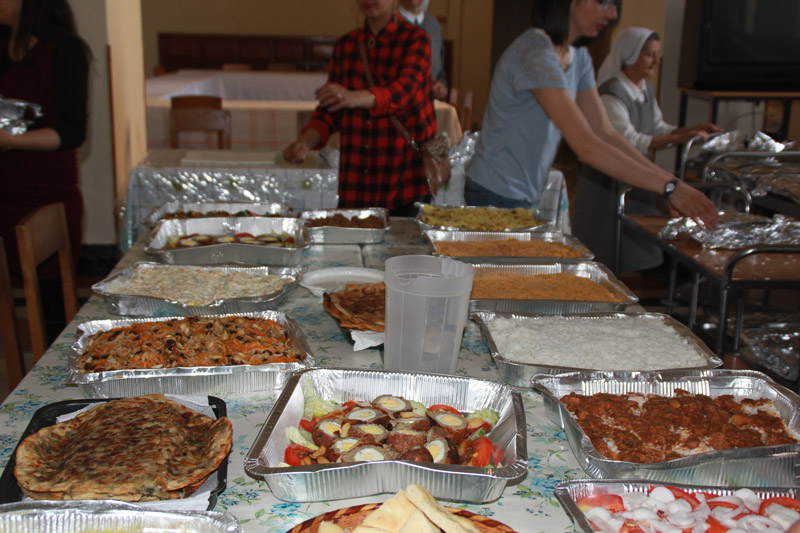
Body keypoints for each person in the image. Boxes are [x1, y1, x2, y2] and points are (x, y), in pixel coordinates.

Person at [463, 0, 720, 232]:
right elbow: (586, 146)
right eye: (603, 3)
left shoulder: (579, 57)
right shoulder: (535, 53)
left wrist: (671, 183)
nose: (612, 14)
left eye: (615, 5)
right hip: (494, 190)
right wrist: (670, 188)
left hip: (522, 190)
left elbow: (605, 133)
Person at [573, 27, 721, 272]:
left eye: (656, 55)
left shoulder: (645, 90)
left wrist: (689, 131)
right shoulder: (611, 94)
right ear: (631, 55)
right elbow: (629, 139)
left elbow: (657, 127)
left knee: (635, 241)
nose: (655, 62)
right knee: (606, 239)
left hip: (637, 172)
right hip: (610, 176)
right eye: (649, 55)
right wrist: (677, 150)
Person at [283, 0, 437, 217]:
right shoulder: (346, 45)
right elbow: (329, 111)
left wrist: (353, 97)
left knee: (403, 240)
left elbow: (401, 92)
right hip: (357, 183)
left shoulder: (416, 40)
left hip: (404, 179)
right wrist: (305, 142)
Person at [0, 0, 89, 338]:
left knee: (51, 301)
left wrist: (9, 140)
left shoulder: (64, 49)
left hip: (45, 188)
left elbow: (72, 132)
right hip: (4, 185)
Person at [397, 0, 448, 100]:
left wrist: (441, 83)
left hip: (428, 103)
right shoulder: (390, 22)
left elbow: (440, 69)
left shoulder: (434, 25)